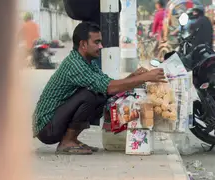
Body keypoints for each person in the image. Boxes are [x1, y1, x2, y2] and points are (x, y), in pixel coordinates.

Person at [33, 22, 166, 155]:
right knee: (90, 95)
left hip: (54, 122)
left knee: (100, 94)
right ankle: (67, 141)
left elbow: (107, 84)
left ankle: (72, 139)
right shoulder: (75, 64)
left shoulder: (88, 62)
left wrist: (134, 76)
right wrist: (145, 77)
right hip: (47, 128)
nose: (101, 46)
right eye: (96, 42)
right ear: (83, 44)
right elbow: (109, 87)